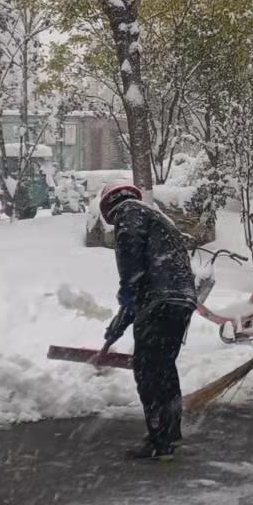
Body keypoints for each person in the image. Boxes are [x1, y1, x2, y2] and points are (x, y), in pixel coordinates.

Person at [100, 181, 199, 459]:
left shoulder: (128, 212)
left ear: (109, 208)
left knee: (147, 369)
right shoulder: (156, 217)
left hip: (159, 299)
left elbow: (132, 261)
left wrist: (127, 291)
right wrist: (121, 321)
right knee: (164, 366)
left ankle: (159, 439)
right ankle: (170, 433)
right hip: (181, 299)